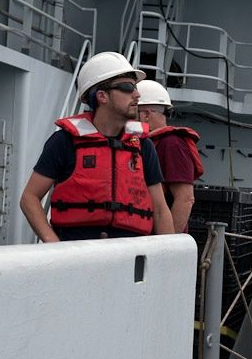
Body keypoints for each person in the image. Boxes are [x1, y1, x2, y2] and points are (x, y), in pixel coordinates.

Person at [19, 52, 174, 241]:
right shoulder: (64, 142)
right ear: (102, 96)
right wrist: (54, 245)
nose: (137, 94)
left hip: (129, 254)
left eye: (136, 87)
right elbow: (30, 198)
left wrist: (168, 258)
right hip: (77, 253)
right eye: (128, 87)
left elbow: (160, 210)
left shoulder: (143, 146)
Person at [136, 79, 204, 233]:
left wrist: (169, 246)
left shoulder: (171, 144)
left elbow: (185, 199)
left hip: (160, 243)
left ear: (145, 115)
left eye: (133, 112)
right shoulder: (150, 143)